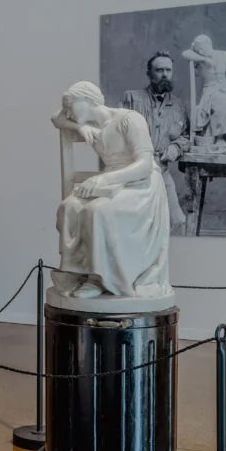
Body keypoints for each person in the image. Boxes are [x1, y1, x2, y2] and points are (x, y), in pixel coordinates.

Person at [50, 81, 172, 300]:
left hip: (139, 183)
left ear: (87, 100)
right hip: (111, 182)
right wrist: (79, 126)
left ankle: (99, 278)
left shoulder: (129, 119)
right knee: (68, 207)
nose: (67, 112)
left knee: (96, 211)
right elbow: (55, 118)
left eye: (70, 106)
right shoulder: (93, 128)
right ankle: (77, 273)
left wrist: (104, 179)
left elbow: (144, 164)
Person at [123, 52, 191, 233]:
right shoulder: (131, 99)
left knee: (177, 221)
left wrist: (175, 148)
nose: (164, 74)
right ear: (149, 74)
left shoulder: (179, 106)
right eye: (159, 70)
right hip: (133, 174)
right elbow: (116, 133)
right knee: (136, 223)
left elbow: (186, 136)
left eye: (168, 70)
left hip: (162, 171)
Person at [181, 35, 226, 147]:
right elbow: (185, 53)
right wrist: (203, 59)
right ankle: (223, 137)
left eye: (202, 48)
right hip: (210, 91)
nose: (200, 51)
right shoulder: (199, 59)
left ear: (209, 44)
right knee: (224, 101)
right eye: (198, 49)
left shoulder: (224, 55)